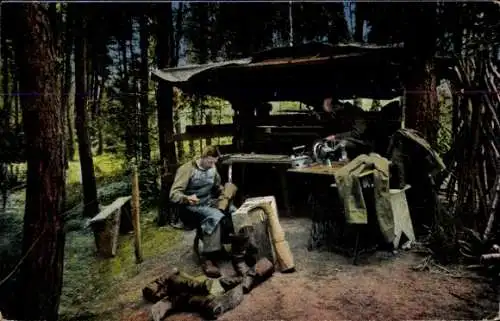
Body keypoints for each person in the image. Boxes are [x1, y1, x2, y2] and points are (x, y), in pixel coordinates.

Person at [169, 145, 235, 278]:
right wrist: (186, 198)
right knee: (214, 216)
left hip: (207, 201)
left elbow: (216, 187)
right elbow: (173, 194)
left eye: (214, 162)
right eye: (210, 162)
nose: (212, 165)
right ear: (203, 157)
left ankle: (226, 247)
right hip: (189, 207)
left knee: (232, 210)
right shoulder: (187, 169)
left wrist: (224, 192)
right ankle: (208, 258)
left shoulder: (213, 168)